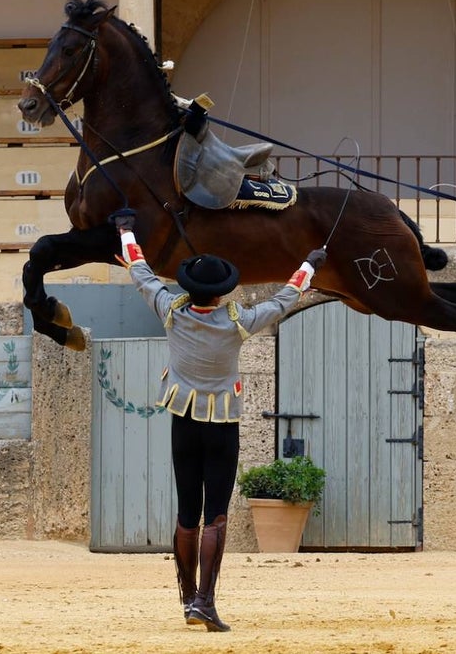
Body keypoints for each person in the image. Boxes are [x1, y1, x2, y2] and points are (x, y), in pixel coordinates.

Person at [114, 211, 325, 632]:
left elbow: (138, 268)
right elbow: (284, 299)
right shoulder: (237, 323)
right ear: (221, 292)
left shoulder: (171, 311)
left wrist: (126, 228)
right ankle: (205, 602)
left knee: (187, 510)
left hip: (183, 423)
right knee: (216, 514)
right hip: (223, 426)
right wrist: (310, 264)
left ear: (191, 288)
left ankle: (188, 597)